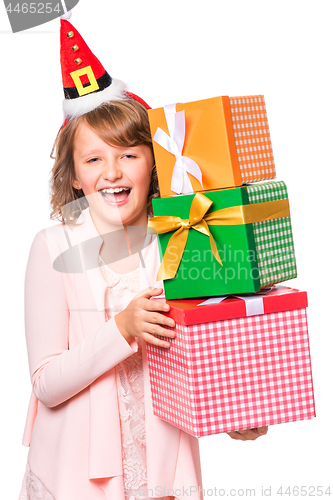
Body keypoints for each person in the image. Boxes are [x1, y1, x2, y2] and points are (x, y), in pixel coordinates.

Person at [19, 16, 267, 500]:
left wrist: (240, 412)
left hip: (163, 473)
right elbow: (46, 383)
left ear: (154, 160)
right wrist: (122, 328)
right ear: (73, 176)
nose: (112, 171)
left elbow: (205, 353)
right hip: (79, 482)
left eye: (129, 154)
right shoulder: (52, 248)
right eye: (94, 159)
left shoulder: (181, 237)